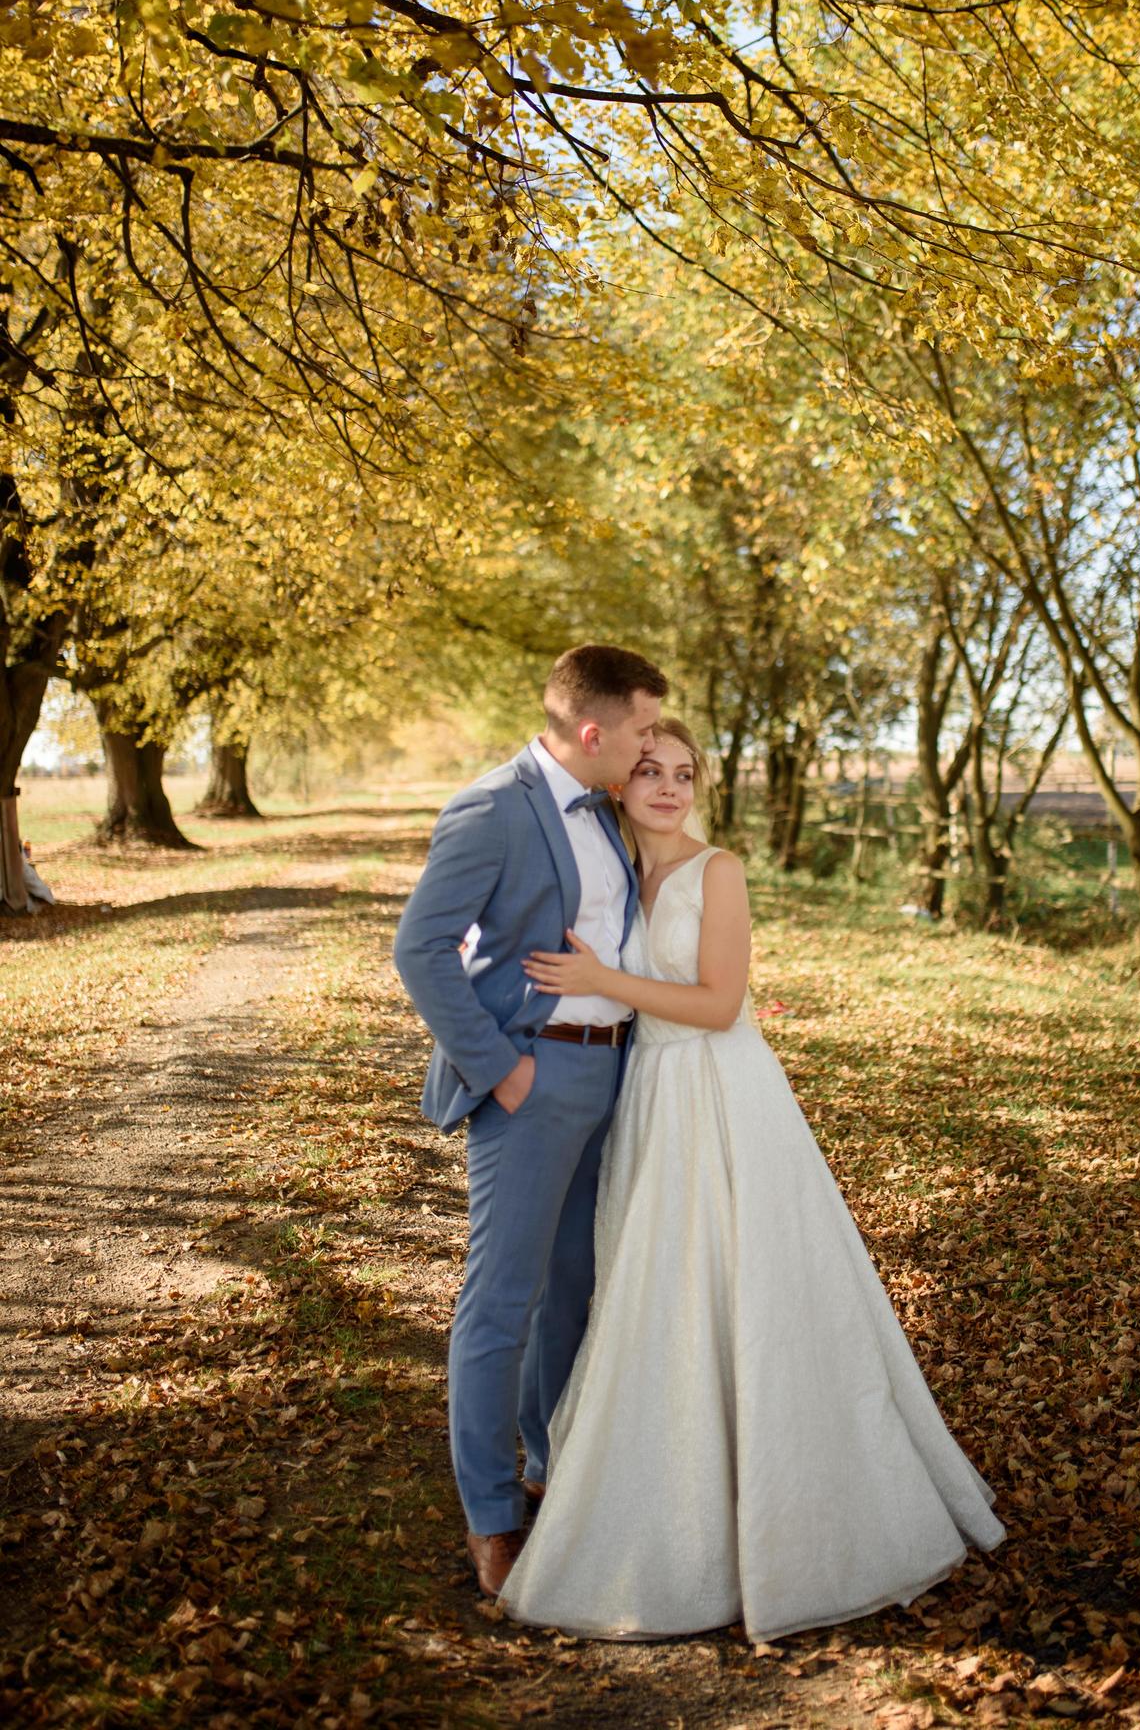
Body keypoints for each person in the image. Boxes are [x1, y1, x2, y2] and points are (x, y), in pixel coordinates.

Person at [501, 719, 1005, 1643]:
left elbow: (720, 1004)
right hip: (646, 1092)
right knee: (656, 1286)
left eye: (684, 773)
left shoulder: (716, 870)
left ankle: (781, 1507)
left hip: (720, 1092)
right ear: (618, 782)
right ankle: (663, 1481)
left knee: (744, 1282)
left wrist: (604, 977)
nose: (667, 788)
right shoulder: (611, 869)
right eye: (649, 771)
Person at [393, 643, 668, 1599]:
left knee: (572, 1292)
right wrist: (503, 1070)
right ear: (592, 732)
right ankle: (492, 1516)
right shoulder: (494, 807)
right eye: (639, 731)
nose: (649, 748)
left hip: (611, 1078)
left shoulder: (611, 812)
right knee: (502, 1300)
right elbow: (421, 949)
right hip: (531, 1078)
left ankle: (553, 1468)